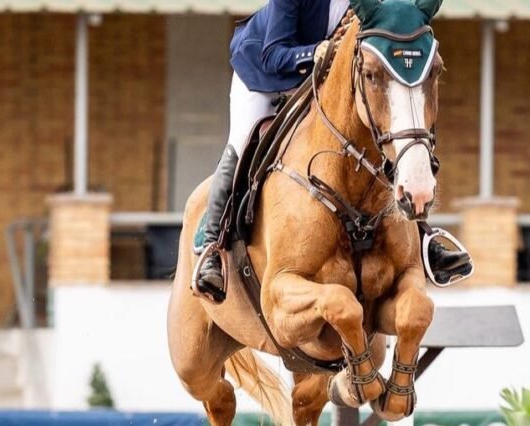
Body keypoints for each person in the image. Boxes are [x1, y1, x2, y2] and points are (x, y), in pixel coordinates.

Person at [194, 0, 471, 303]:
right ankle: (212, 247)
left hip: (320, 75)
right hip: (263, 74)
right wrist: (315, 51)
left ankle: (423, 238)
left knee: (375, 142)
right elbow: (273, 56)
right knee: (242, 139)